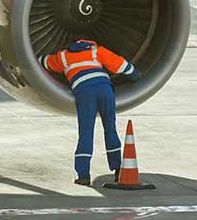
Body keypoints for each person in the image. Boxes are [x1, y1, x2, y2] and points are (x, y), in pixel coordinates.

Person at [40, 39, 141, 186]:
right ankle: (118, 169)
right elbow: (119, 64)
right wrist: (135, 75)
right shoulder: (96, 50)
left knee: (86, 132)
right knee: (110, 129)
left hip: (84, 90)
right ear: (89, 43)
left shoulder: (63, 56)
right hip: (104, 88)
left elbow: (45, 61)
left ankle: (83, 175)